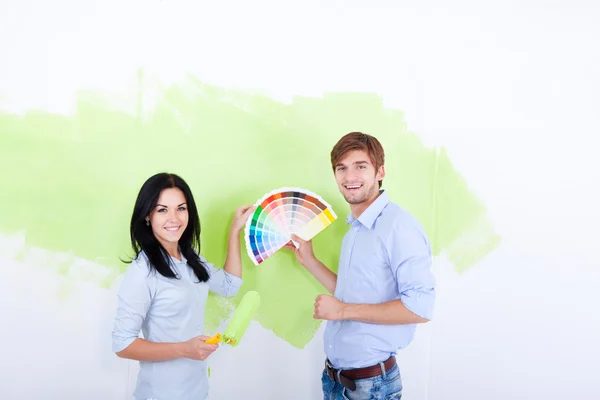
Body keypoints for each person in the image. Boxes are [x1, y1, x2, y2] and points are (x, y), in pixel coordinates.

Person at [285, 132, 436, 400]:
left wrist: (341, 310)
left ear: (380, 172)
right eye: (341, 168)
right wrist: (309, 260)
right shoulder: (355, 228)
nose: (349, 177)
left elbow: (420, 308)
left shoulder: (399, 226)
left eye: (360, 166)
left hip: (372, 387)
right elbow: (349, 291)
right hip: (335, 380)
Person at [111, 172, 254, 400]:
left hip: (197, 391)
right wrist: (184, 349)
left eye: (181, 208)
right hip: (161, 394)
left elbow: (229, 285)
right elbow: (122, 344)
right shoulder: (142, 272)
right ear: (147, 215)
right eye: (162, 210)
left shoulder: (189, 259)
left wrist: (234, 231)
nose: (174, 218)